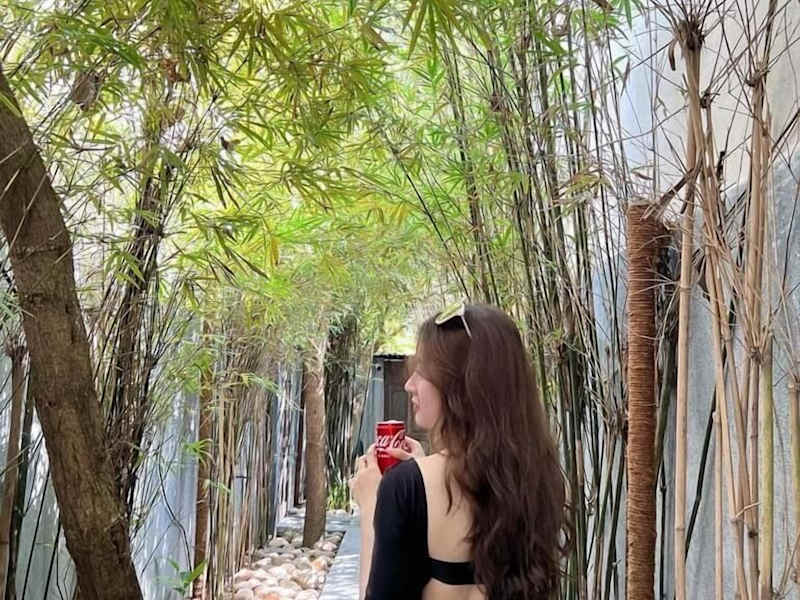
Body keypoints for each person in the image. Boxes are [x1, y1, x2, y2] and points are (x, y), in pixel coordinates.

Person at [349, 303, 570, 600]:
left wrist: (371, 509)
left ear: (460, 384)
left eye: (422, 371)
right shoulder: (537, 479)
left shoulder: (404, 486)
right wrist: (419, 478)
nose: (409, 385)